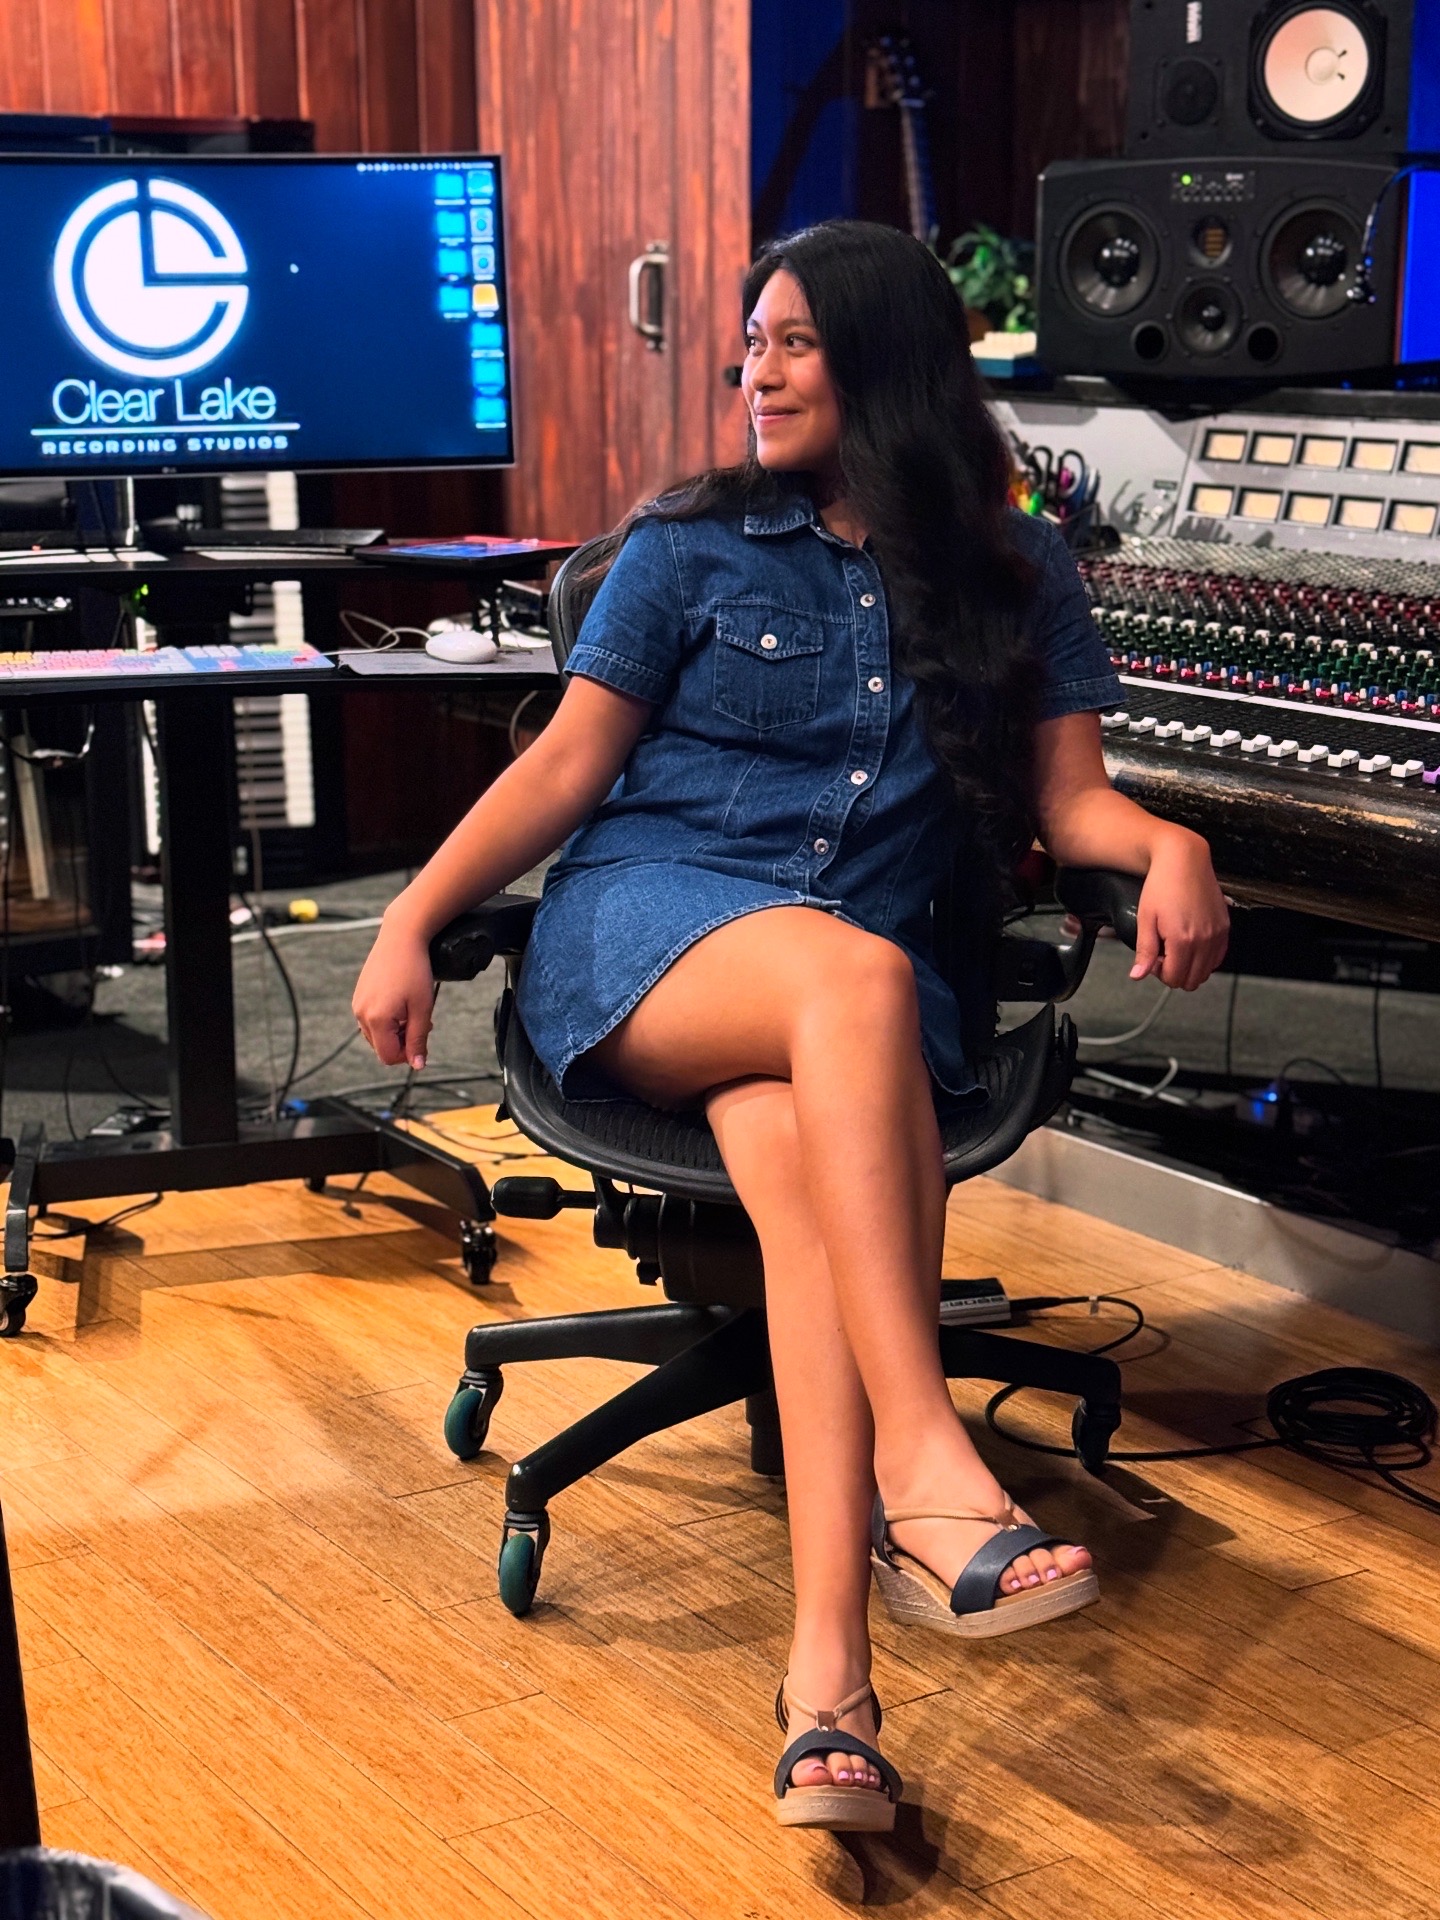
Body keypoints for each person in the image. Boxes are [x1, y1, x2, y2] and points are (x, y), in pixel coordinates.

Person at [353, 220, 1229, 1833]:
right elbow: (564, 770)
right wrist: (411, 918)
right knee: (857, 980)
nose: (754, 370)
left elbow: (1071, 800)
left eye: (793, 344)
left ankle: (828, 1685)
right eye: (749, 343)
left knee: (798, 1138)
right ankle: (924, 1454)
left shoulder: (1014, 568)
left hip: (846, 1013)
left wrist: (1167, 845)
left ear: (885, 365)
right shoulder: (691, 544)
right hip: (657, 936)